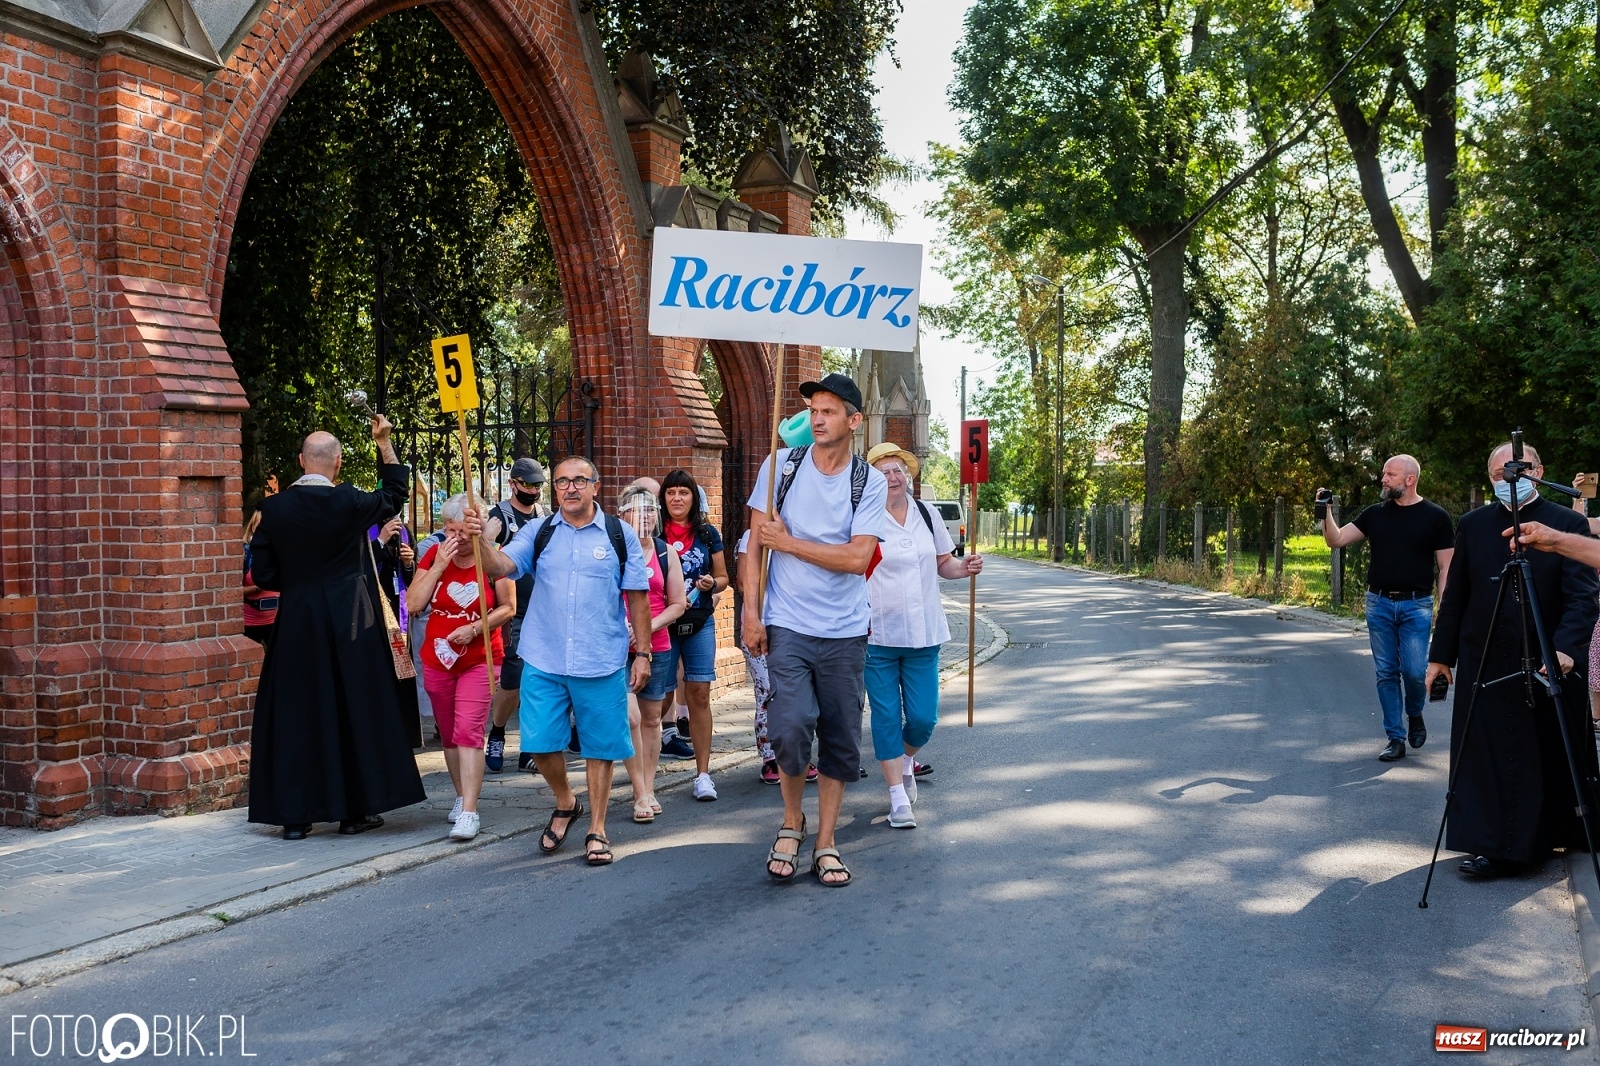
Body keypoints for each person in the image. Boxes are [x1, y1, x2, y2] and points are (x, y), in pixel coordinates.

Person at [1424, 441, 1600, 879]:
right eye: (1501, 473)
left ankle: (1557, 832)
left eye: (1519, 470)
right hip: (1486, 658)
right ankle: (1495, 846)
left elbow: (1583, 597)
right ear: (1490, 479)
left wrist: (1565, 649)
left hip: (1548, 660)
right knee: (1489, 756)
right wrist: (1439, 658)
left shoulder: (1568, 523)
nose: (1511, 479)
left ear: (1539, 470)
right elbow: (1456, 597)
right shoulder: (1474, 525)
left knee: (1549, 753)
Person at [247, 418, 426, 840]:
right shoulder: (348, 500)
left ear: (300, 461)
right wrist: (384, 444)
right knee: (353, 709)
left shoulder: (274, 509)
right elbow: (395, 494)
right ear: (338, 464)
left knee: (298, 712)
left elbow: (266, 572)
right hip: (353, 619)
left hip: (297, 620)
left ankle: (295, 818)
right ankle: (354, 813)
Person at [470, 457, 653, 867]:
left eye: (578, 481)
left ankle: (598, 829)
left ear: (595, 486)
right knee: (539, 743)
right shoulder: (540, 531)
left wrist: (643, 653)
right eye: (562, 482)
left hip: (600, 658)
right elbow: (501, 566)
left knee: (600, 747)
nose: (569, 488)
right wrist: (481, 538)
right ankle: (567, 802)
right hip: (544, 656)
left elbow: (637, 596)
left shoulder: (617, 534)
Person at [745, 372, 887, 887]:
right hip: (788, 623)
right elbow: (755, 544)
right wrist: (750, 612)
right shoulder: (780, 465)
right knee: (789, 726)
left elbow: (856, 558)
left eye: (829, 410)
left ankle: (825, 840)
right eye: (813, 410)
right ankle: (791, 818)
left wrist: (791, 544)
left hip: (846, 630)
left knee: (841, 737)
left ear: (854, 421)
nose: (817, 418)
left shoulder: (867, 482)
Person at [862, 443, 983, 829]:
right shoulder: (863, 517)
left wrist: (965, 568)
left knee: (922, 719)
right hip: (877, 634)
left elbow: (943, 564)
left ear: (909, 476)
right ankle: (897, 797)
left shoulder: (927, 515)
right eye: (883, 472)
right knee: (884, 717)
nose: (893, 478)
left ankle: (904, 760)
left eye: (898, 470)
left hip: (924, 633)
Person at [1318, 456, 1455, 761]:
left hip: (1416, 605)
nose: (1383, 479)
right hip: (1378, 604)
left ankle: (1415, 713)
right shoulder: (1375, 514)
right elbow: (1336, 540)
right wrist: (1325, 512)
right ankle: (1395, 737)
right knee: (1386, 672)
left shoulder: (1436, 517)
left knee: (1414, 671)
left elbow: (1446, 566)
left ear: (1410, 479)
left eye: (1389, 475)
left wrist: (1444, 610)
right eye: (1383, 474)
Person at [406, 495, 516, 842]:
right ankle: (459, 794)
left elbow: (508, 607)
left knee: (469, 730)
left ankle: (470, 811)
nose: (458, 540)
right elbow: (413, 603)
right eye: (451, 531)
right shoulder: (434, 555)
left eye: (465, 532)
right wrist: (438, 566)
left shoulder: (492, 558)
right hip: (438, 656)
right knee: (450, 733)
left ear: (478, 528)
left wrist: (475, 628)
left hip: (480, 657)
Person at [615, 484, 686, 822]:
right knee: (631, 717)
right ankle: (639, 791)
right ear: (622, 516)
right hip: (617, 649)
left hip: (657, 646)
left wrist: (647, 626)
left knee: (652, 719)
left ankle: (649, 785)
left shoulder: (664, 552)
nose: (643, 517)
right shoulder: (612, 551)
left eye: (648, 511)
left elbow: (678, 604)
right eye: (635, 510)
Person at [659, 470, 729, 800]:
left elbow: (723, 577)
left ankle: (703, 775)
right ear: (664, 498)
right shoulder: (653, 532)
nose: (677, 498)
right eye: (671, 492)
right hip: (661, 625)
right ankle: (643, 763)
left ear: (693, 498)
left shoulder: (707, 533)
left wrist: (710, 584)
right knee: (656, 698)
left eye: (683, 493)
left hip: (699, 621)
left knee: (699, 693)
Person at [484, 458, 548, 772]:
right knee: (514, 683)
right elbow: (488, 565)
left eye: (538, 485)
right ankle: (496, 731)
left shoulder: (547, 517)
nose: (534, 490)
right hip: (514, 613)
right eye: (528, 485)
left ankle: (530, 748)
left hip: (544, 611)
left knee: (538, 682)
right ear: (513, 484)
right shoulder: (499, 517)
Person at [371, 514, 421, 748]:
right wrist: (380, 541)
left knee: (402, 670)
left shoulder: (404, 531)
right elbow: (360, 562)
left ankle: (405, 732)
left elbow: (413, 578)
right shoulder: (365, 529)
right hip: (372, 608)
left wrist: (410, 563)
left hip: (398, 606)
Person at [242, 508, 278, 646]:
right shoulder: (244, 553)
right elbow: (232, 592)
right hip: (251, 623)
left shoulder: (281, 552)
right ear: (252, 527)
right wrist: (259, 586)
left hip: (276, 622)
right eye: (260, 524)